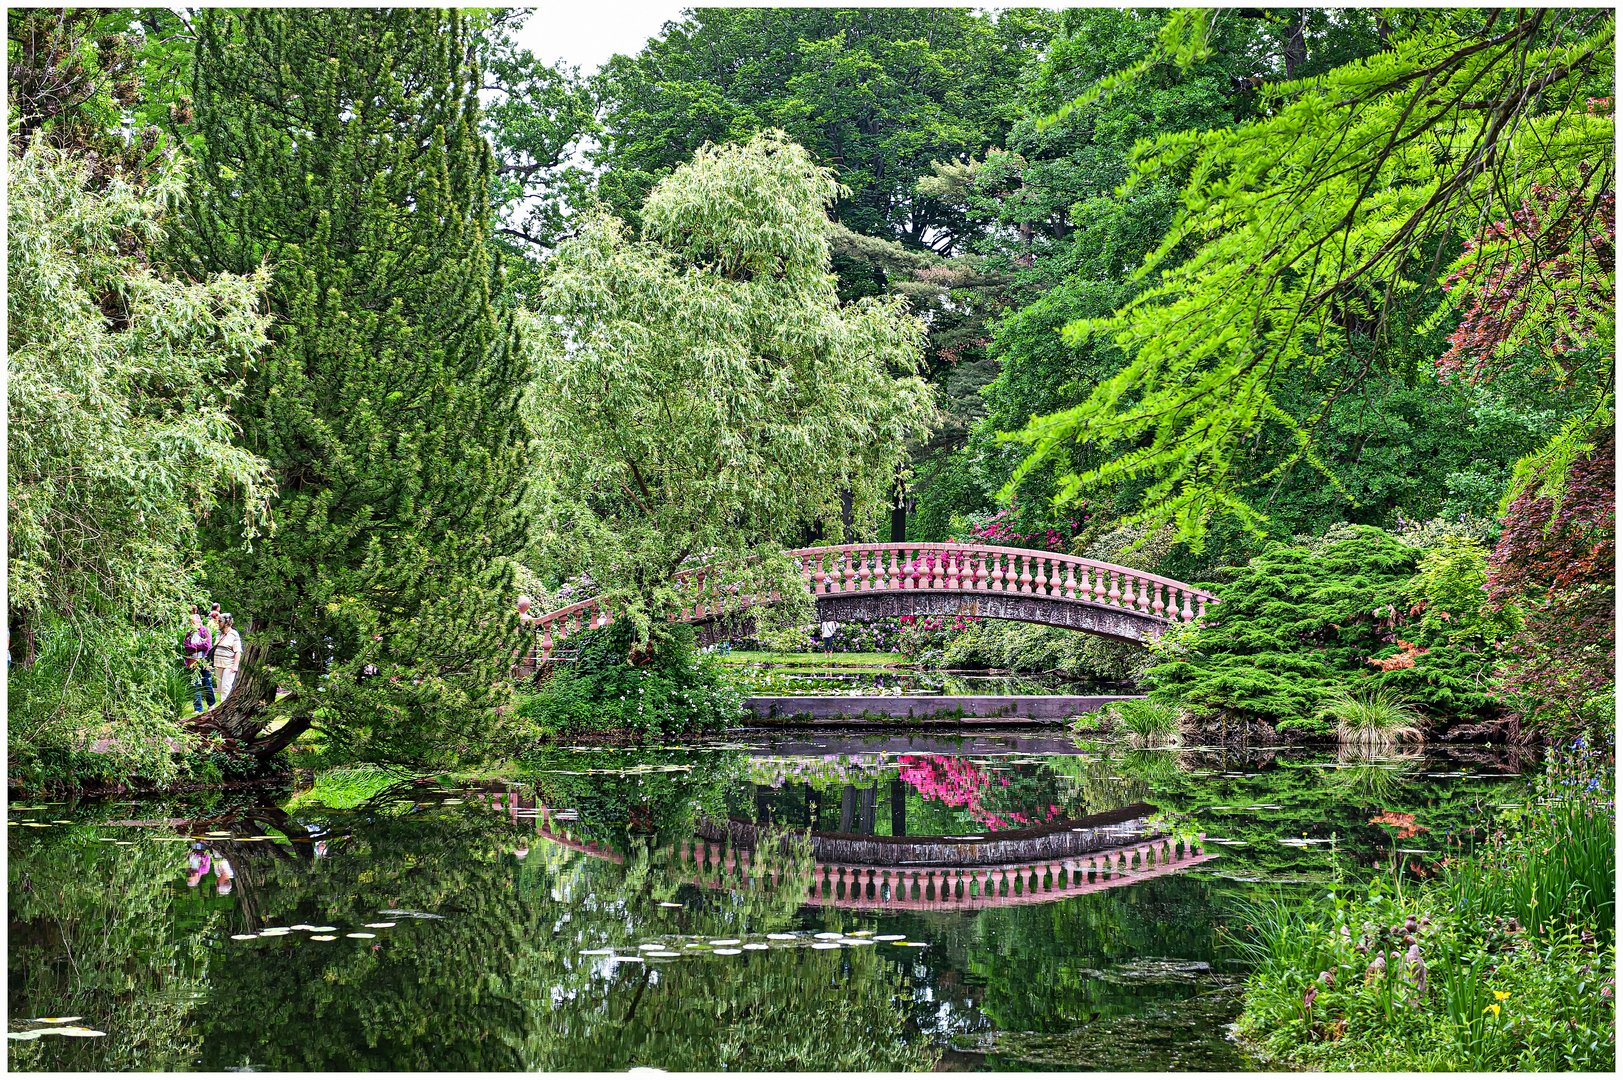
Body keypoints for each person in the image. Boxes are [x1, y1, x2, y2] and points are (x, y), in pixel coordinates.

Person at [183, 610, 215, 713]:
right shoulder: (189, 633)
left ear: (198, 621)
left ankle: (211, 705)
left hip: (204, 660)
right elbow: (186, 646)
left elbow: (207, 645)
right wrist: (197, 647)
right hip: (192, 660)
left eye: (193, 622)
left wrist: (194, 647)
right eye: (191, 622)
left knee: (207, 681)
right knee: (195, 683)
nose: (192, 624)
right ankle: (198, 708)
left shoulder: (205, 631)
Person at [213, 613, 243, 701]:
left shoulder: (234, 634)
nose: (217, 623)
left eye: (219, 621)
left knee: (226, 687)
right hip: (218, 664)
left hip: (229, 665)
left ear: (226, 623)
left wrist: (235, 665)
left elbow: (238, 651)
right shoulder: (219, 633)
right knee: (219, 688)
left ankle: (223, 707)